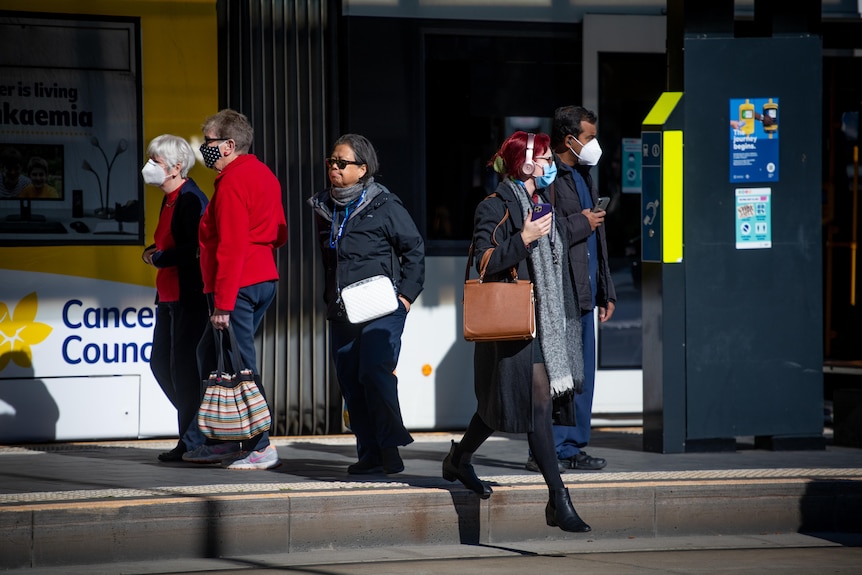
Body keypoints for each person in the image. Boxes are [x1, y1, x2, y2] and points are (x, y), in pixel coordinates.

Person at [443, 131, 591, 533]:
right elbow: (486, 261)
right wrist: (523, 238)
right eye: (543, 159)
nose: (550, 166)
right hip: (514, 325)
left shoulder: (543, 204)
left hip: (545, 325)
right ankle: (558, 499)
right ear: (525, 164)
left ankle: (458, 459)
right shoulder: (495, 206)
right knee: (534, 406)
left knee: (498, 408)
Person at [308, 134, 425, 475]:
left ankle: (390, 449)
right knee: (350, 380)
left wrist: (404, 298)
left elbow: (414, 251)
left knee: (374, 371)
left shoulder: (384, 205)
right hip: (344, 309)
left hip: (383, 307)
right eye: (331, 161)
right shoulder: (324, 207)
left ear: (362, 169)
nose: (334, 167)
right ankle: (370, 452)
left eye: (342, 163)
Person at [183, 108, 288, 470]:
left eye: (208, 142)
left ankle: (261, 445)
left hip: (237, 286)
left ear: (228, 145)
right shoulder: (264, 174)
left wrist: (223, 304)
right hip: (262, 279)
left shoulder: (231, 183)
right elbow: (280, 231)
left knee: (240, 365)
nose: (204, 148)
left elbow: (230, 246)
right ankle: (220, 439)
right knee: (210, 357)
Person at [525, 105, 616, 473]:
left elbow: (598, 240)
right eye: (589, 137)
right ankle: (549, 450)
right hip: (559, 293)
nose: (594, 144)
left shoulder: (585, 174)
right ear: (570, 140)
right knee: (559, 374)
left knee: (582, 376)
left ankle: (573, 446)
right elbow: (544, 231)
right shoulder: (548, 178)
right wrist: (582, 222)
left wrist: (605, 290)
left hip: (584, 290)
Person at [139, 134, 210, 463]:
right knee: (160, 364)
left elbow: (196, 251)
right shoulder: (168, 199)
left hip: (188, 296)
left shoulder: (190, 198)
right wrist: (154, 254)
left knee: (183, 370)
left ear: (176, 167)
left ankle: (192, 439)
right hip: (167, 296)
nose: (149, 168)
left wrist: (161, 258)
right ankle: (196, 430)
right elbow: (168, 244)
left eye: (155, 162)